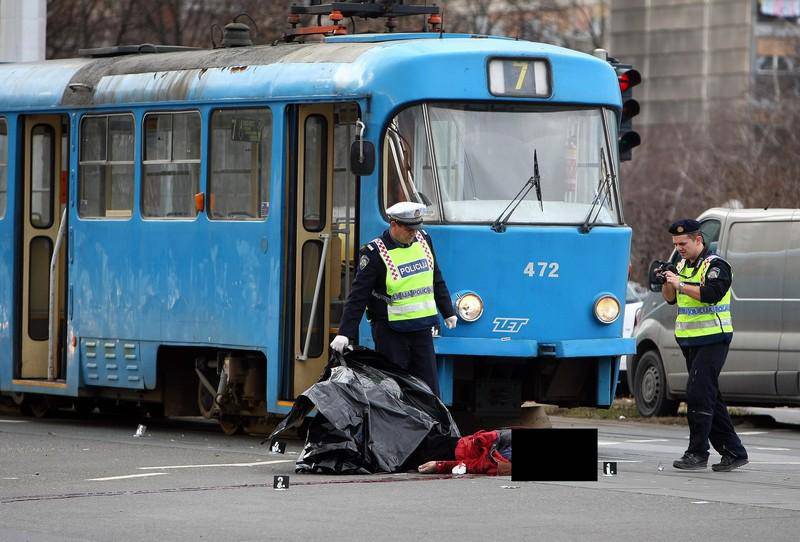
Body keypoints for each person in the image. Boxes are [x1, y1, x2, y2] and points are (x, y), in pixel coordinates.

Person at [330, 201, 457, 397]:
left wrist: (447, 310)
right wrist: (345, 332)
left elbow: (435, 277)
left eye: (416, 228)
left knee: (429, 391)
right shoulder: (375, 253)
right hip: (391, 333)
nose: (413, 233)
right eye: (409, 229)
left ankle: (433, 427)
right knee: (393, 391)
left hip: (422, 329)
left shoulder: (424, 240)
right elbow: (358, 296)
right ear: (393, 224)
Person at [661, 219, 748, 472]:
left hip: (714, 339)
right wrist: (668, 281)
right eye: (676, 244)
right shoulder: (680, 265)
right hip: (690, 340)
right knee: (710, 396)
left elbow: (711, 294)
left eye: (683, 243)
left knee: (698, 393)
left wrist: (680, 284)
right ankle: (734, 451)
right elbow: (670, 299)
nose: (679, 248)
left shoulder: (717, 265)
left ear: (698, 239)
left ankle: (697, 453)